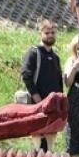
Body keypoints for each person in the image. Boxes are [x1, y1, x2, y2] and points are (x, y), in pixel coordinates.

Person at [21, 19, 62, 150]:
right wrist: (36, 96)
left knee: (50, 134)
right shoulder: (33, 52)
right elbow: (26, 75)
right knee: (37, 134)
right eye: (47, 32)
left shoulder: (56, 57)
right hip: (37, 103)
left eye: (53, 32)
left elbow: (59, 81)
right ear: (41, 33)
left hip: (53, 104)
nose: (50, 35)